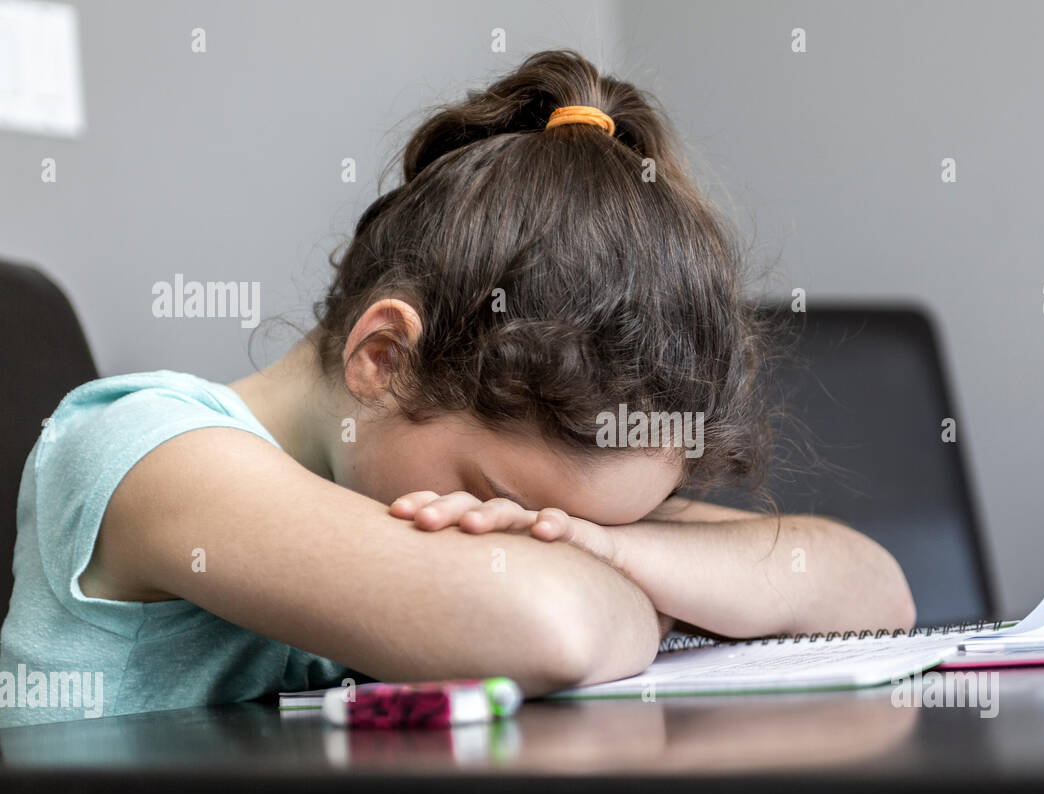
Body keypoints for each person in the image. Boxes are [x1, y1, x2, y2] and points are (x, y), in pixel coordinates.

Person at [0, 50, 913, 726]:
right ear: (384, 358)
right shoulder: (142, 452)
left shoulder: (549, 508)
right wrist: (615, 562)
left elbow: (871, 588)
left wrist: (612, 545)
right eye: (506, 507)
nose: (546, 538)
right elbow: (553, 624)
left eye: (622, 523)